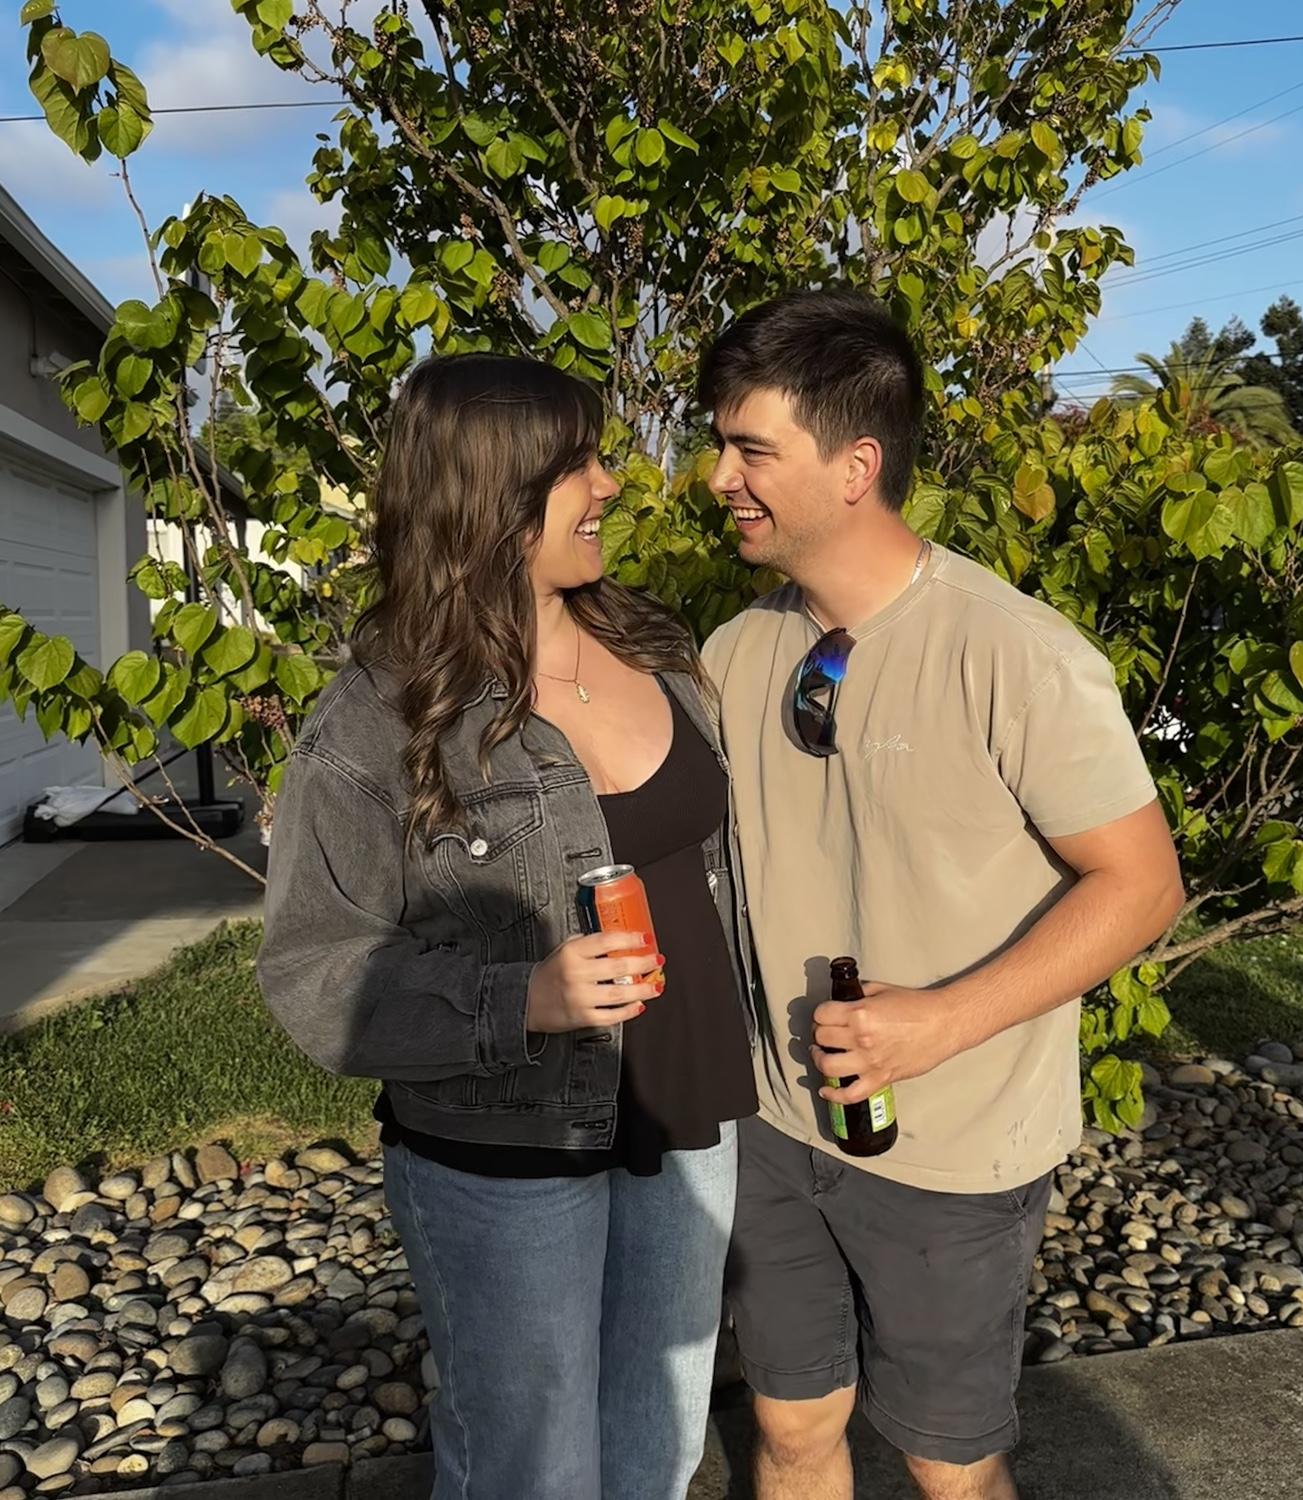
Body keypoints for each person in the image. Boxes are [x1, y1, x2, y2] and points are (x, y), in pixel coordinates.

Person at [698, 289, 1184, 1500]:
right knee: (791, 1427)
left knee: (948, 1463)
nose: (718, 478)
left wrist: (939, 1024)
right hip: (772, 1125)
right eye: (720, 445)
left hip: (955, 1150)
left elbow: (1142, 886)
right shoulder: (735, 653)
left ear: (856, 466)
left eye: (751, 449)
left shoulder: (1016, 653)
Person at [257, 353, 758, 1500]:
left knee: (659, 1454)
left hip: (690, 1119)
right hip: (510, 1158)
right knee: (533, 1474)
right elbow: (314, 970)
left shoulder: (655, 647)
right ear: (489, 495)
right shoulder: (380, 717)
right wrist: (522, 998)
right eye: (578, 465)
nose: (611, 485)